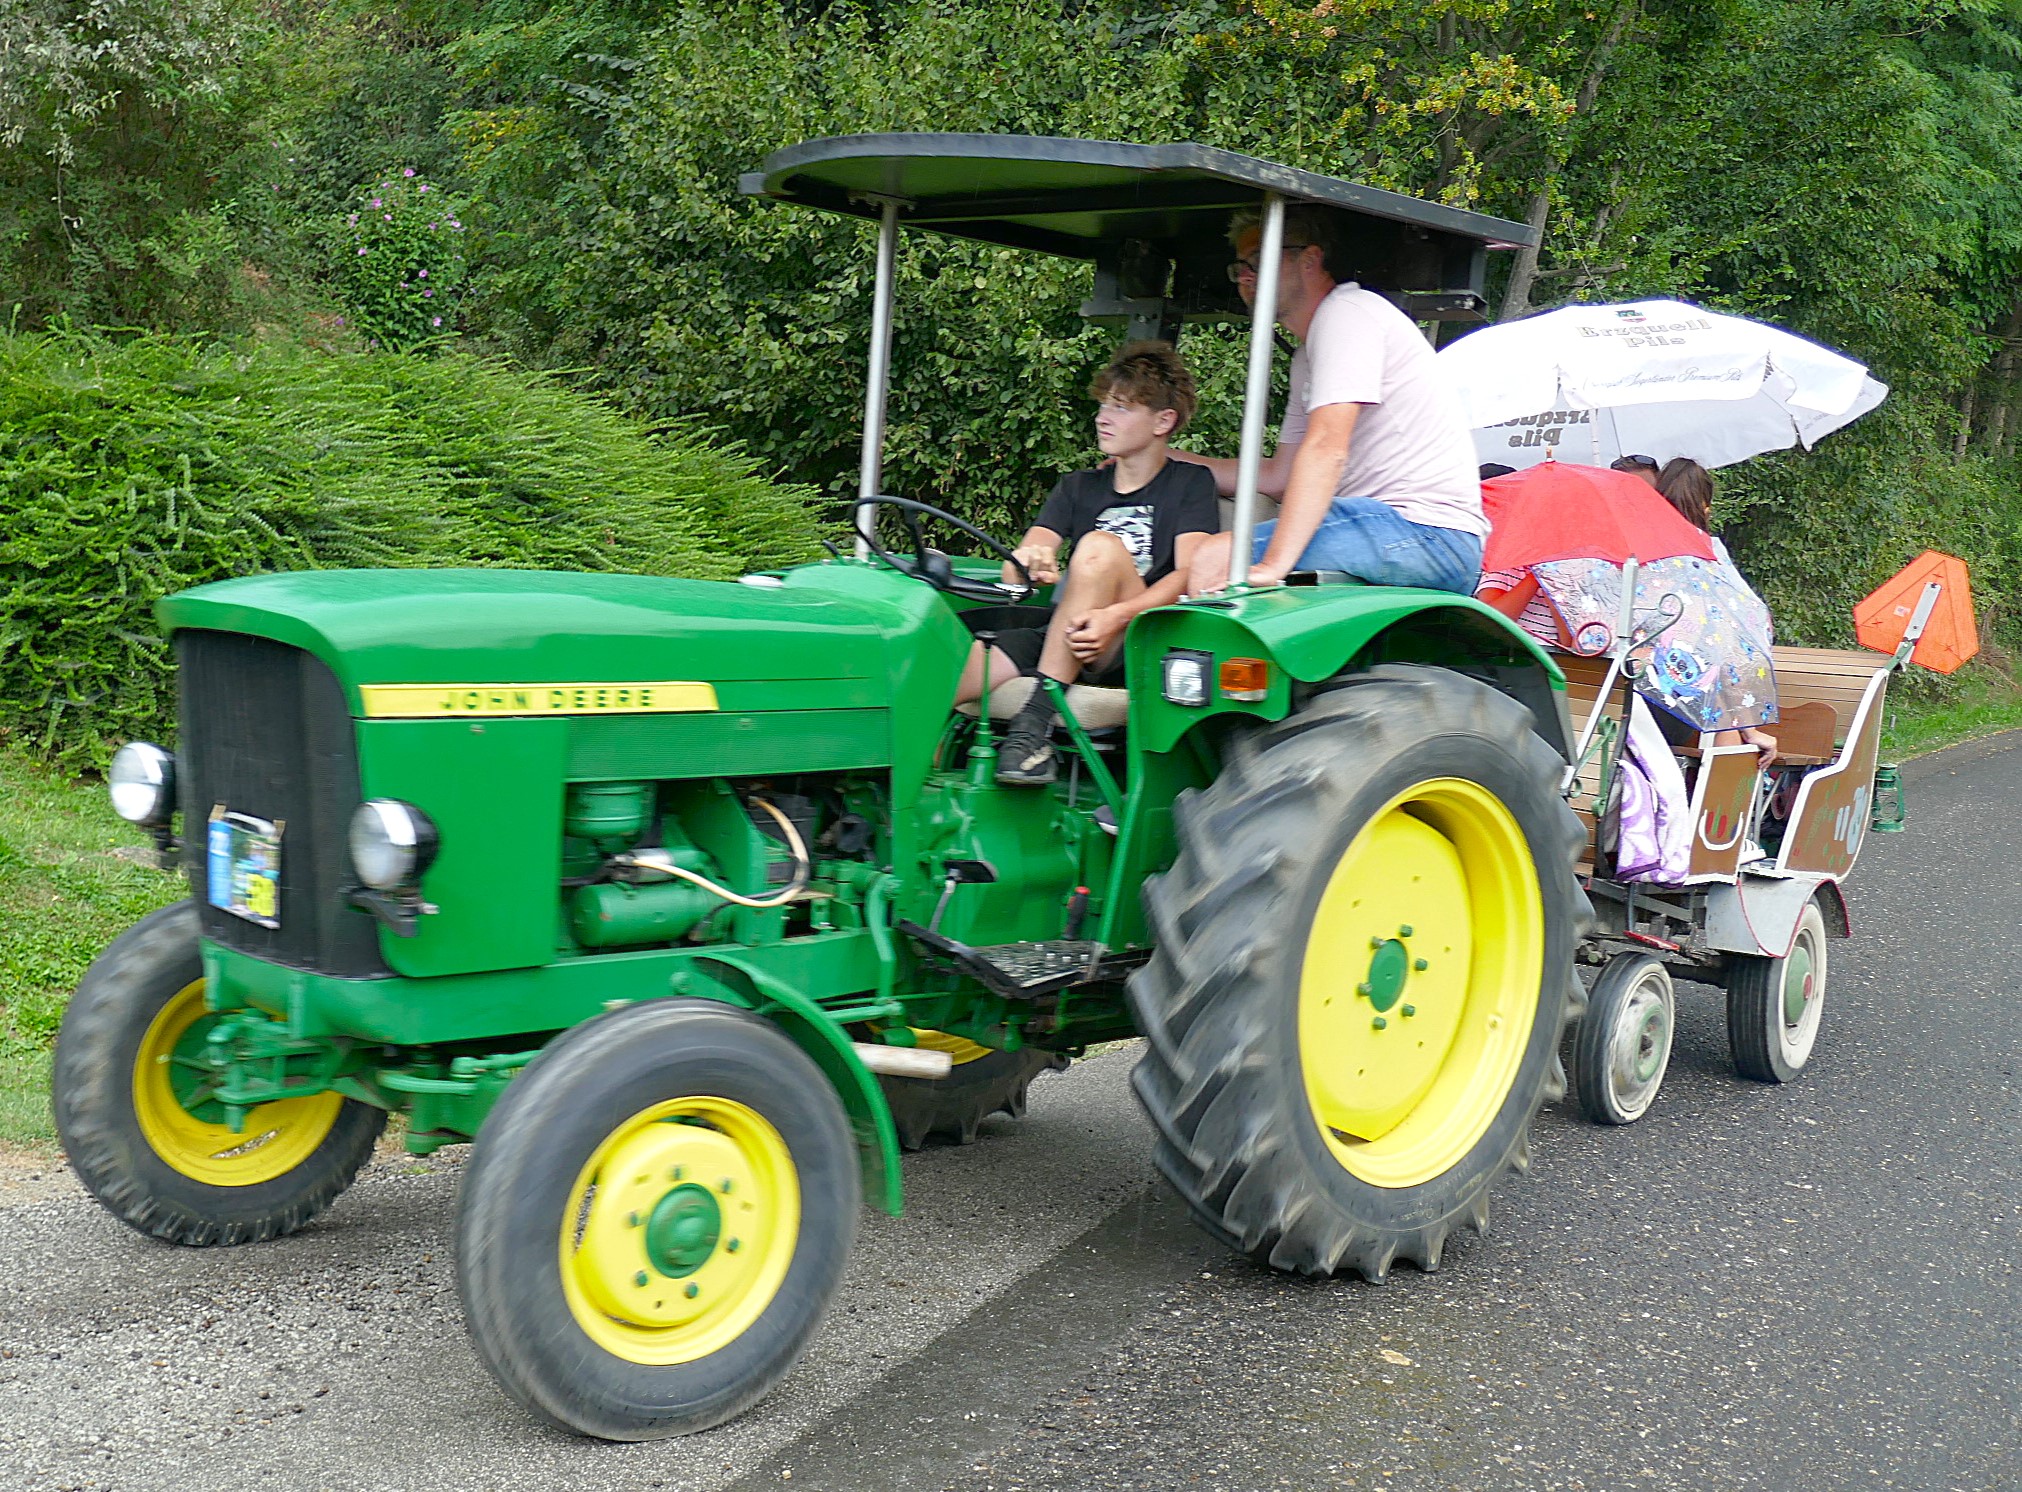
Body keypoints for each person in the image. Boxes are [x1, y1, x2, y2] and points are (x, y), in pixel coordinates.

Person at [1177, 205, 1485, 595]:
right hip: (1386, 528)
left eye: (1258, 260)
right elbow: (1279, 478)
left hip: (1425, 533)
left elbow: (1327, 448)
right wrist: (1170, 461)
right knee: (1213, 550)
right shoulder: (1307, 356)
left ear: (1309, 259)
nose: (1245, 276)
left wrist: (1273, 563)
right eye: (1240, 266)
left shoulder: (1348, 316)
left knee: (1215, 555)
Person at [955, 341, 1219, 785]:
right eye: (1103, 405)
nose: (1102, 417)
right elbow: (1018, 564)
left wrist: (1115, 616)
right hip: (1067, 630)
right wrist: (1031, 561)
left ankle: (1033, 727)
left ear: (1163, 421)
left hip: (1135, 635)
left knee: (1099, 548)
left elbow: (1189, 575)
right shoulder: (1078, 486)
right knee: (947, 675)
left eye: (1121, 407)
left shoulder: (1190, 483)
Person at [1653, 457, 1779, 763]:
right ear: (1705, 507)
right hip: (1680, 705)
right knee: (1720, 689)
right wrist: (1750, 729)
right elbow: (1738, 632)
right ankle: (1726, 780)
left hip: (1632, 694)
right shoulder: (1709, 556)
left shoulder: (1640, 553)